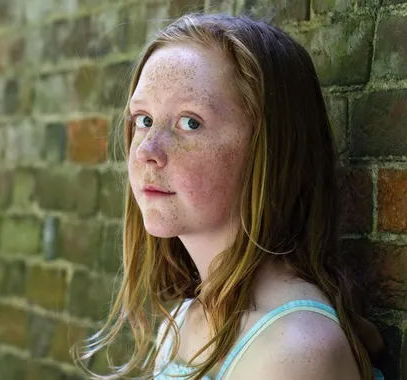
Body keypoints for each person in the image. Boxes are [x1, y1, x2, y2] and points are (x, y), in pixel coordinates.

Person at [71, 12, 387, 380]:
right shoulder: (181, 321)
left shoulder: (293, 351)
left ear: (269, 149)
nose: (146, 151)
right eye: (143, 120)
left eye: (190, 122)